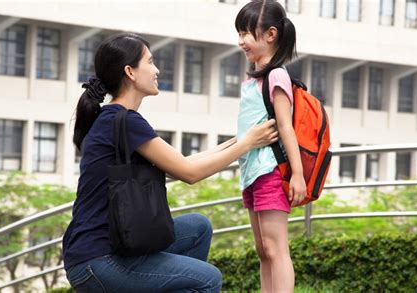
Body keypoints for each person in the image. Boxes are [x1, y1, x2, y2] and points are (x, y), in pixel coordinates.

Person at [62, 33, 279, 292]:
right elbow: (189, 173)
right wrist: (248, 144)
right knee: (208, 279)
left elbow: (180, 164)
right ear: (130, 72)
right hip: (98, 261)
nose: (157, 70)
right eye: (150, 62)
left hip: (105, 250)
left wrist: (240, 140)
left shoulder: (117, 120)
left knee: (198, 228)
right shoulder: (125, 121)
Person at [235, 1, 306, 292]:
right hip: (252, 172)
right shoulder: (253, 79)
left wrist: (298, 174)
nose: (240, 42)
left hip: (271, 173)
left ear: (270, 34)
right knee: (263, 249)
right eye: (238, 33)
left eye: (246, 33)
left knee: (276, 249)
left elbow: (286, 126)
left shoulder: (277, 76)